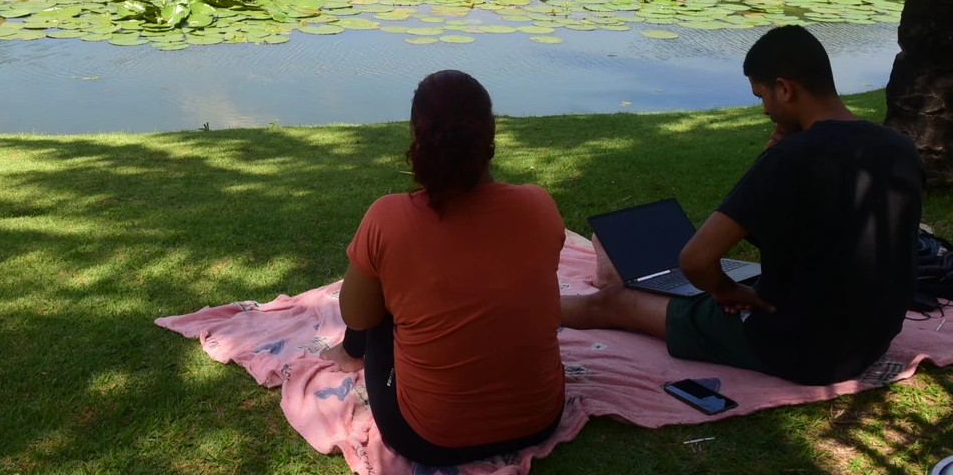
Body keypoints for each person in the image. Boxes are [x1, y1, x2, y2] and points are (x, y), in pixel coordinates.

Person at [563, 25, 925, 386]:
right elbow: (820, 231)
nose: (765, 110)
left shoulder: (791, 158)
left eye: (762, 97)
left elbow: (695, 260)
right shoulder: (900, 147)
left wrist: (725, 289)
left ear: (784, 89)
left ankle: (520, 311)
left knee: (614, 301)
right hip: (871, 340)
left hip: (800, 350)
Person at [320, 70, 567, 465]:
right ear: (491, 133)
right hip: (539, 419)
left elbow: (356, 314)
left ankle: (350, 355)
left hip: (428, 438)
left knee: (379, 296)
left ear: (416, 134)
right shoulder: (539, 205)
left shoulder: (389, 218)